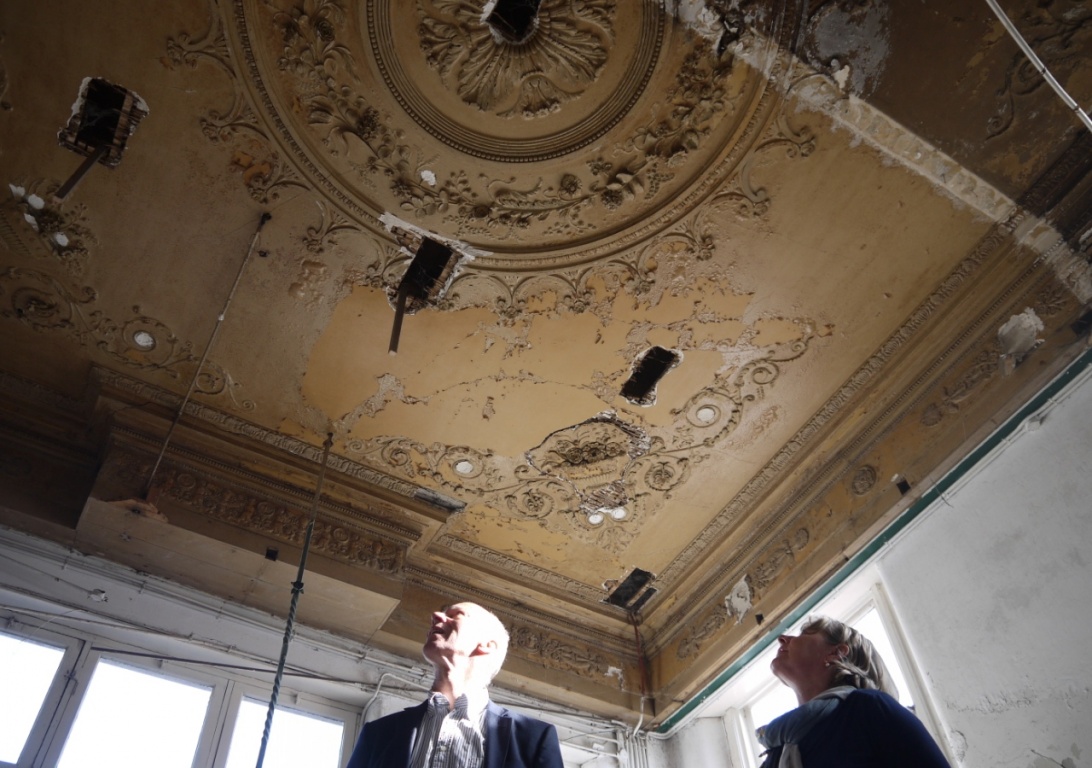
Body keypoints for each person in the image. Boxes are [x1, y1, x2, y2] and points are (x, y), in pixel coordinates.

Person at [345, 602, 564, 768]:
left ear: (487, 645)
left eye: (455, 615)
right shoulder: (378, 734)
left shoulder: (534, 738)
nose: (436, 616)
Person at [756, 616, 950, 768]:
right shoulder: (777, 754)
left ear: (836, 653)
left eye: (805, 634)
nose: (782, 639)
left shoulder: (869, 709)